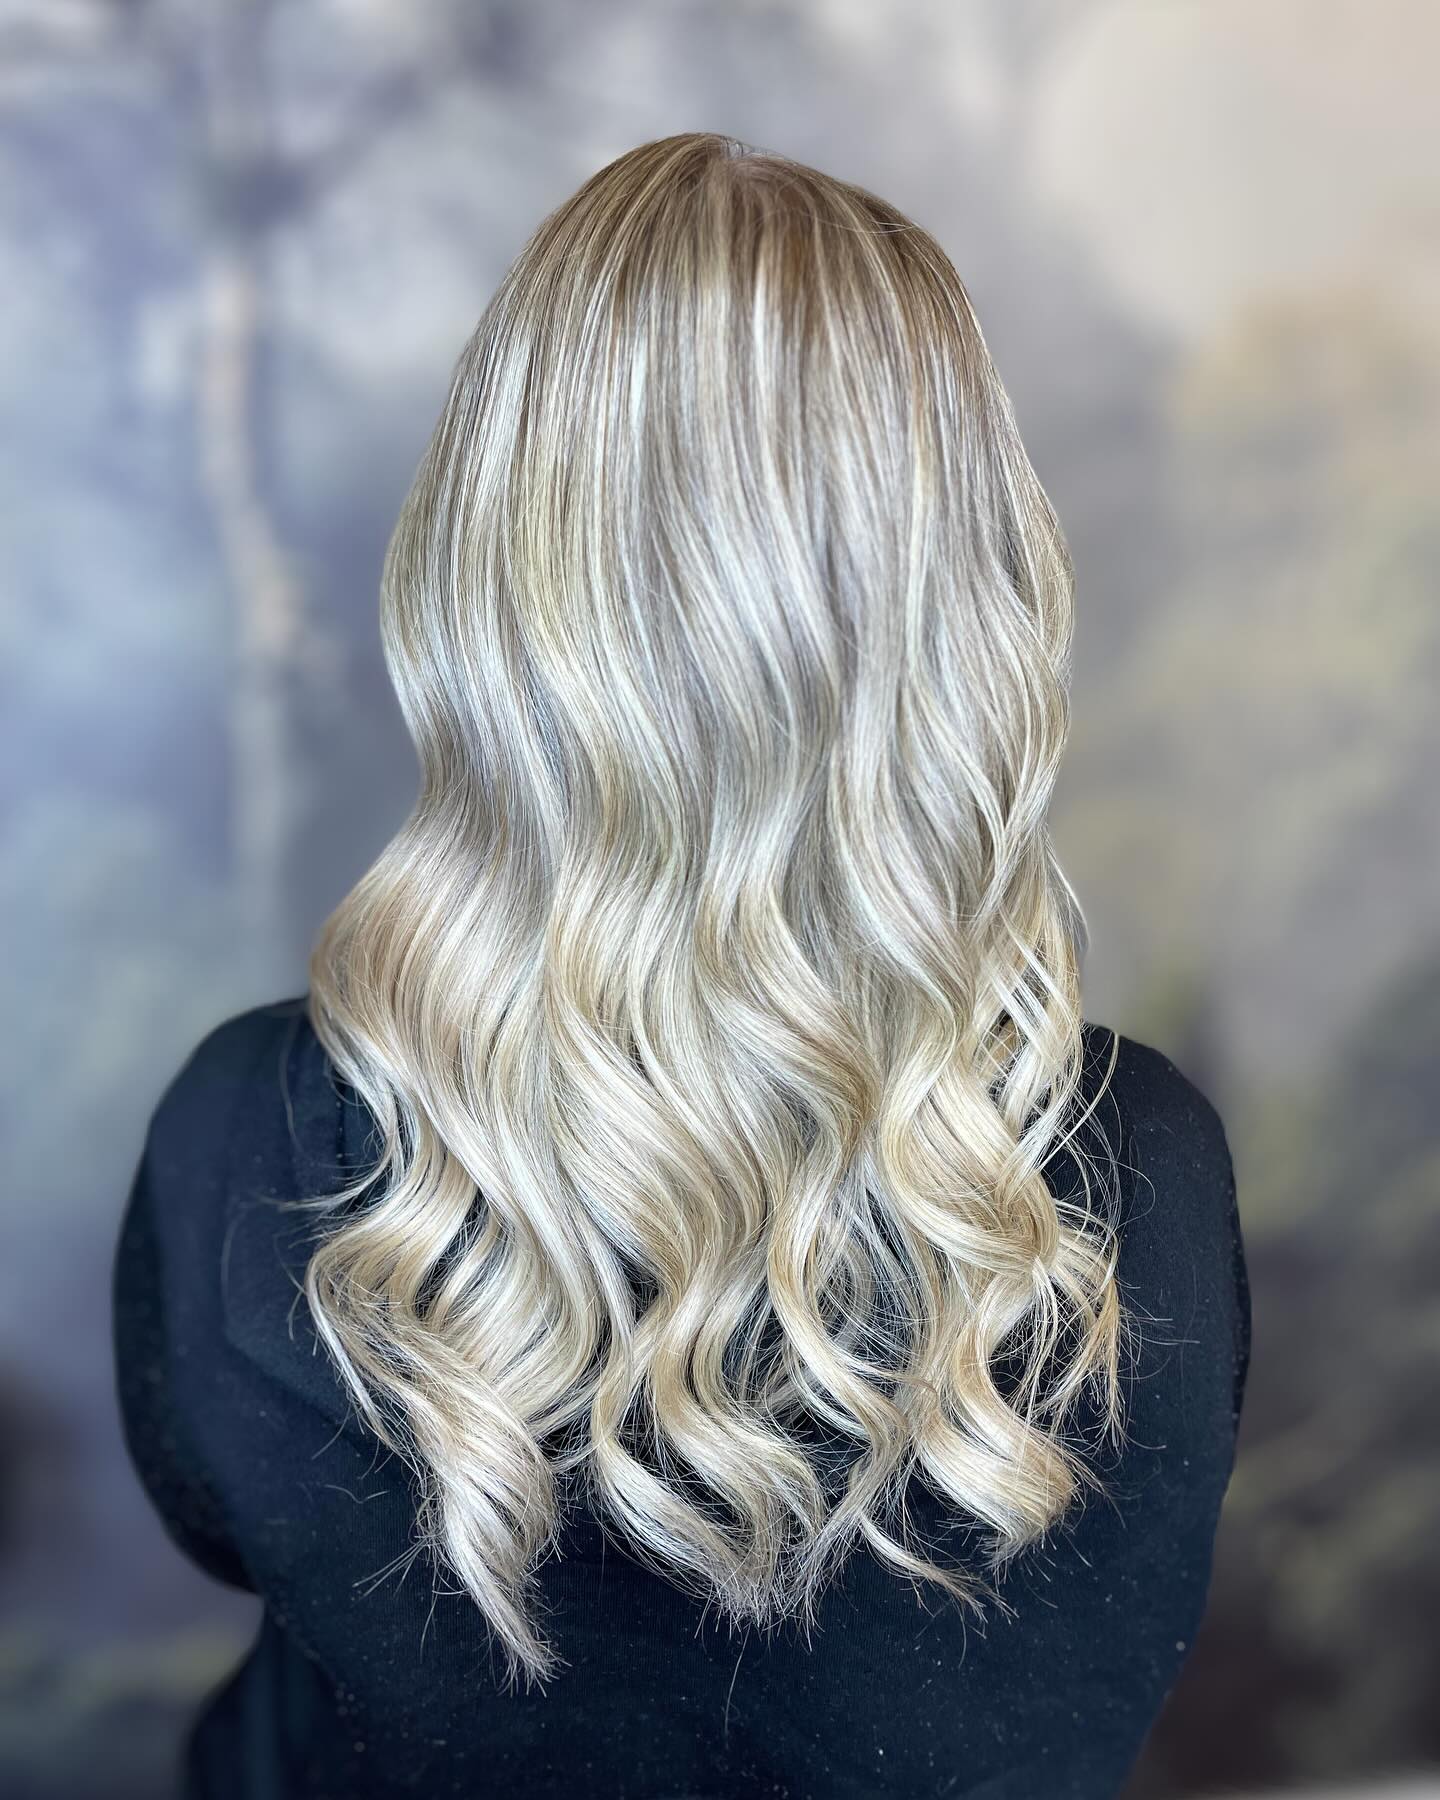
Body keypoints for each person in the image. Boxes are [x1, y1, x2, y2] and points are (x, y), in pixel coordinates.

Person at [112, 130, 1251, 1800]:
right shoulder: (1140, 1189)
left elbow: (220, 1524)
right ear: (966, 588)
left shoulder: (243, 1140)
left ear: (492, 569)